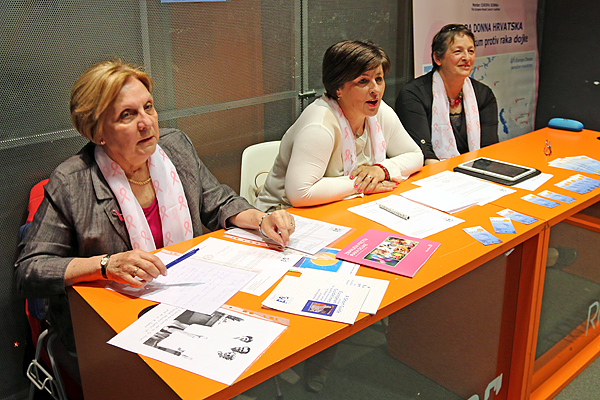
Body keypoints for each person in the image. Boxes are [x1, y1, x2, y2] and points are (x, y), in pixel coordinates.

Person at [14, 59, 295, 380]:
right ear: (97, 131)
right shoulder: (73, 181)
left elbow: (217, 201)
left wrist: (262, 219)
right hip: (112, 325)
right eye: (127, 115)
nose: (146, 123)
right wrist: (105, 265)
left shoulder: (175, 148)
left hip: (191, 298)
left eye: (148, 107)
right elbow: (30, 270)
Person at [255, 40, 423, 211]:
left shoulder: (378, 111)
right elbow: (300, 193)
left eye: (378, 79)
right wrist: (363, 183)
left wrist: (381, 171)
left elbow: (415, 155)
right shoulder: (319, 126)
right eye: (363, 81)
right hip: (282, 213)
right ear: (338, 88)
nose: (376, 90)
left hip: (342, 205)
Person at [395, 24, 499, 165]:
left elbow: (489, 150)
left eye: (471, 51)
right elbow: (423, 154)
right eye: (458, 51)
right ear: (438, 58)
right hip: (433, 172)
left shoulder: (484, 94)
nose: (466, 57)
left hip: (476, 170)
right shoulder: (413, 94)